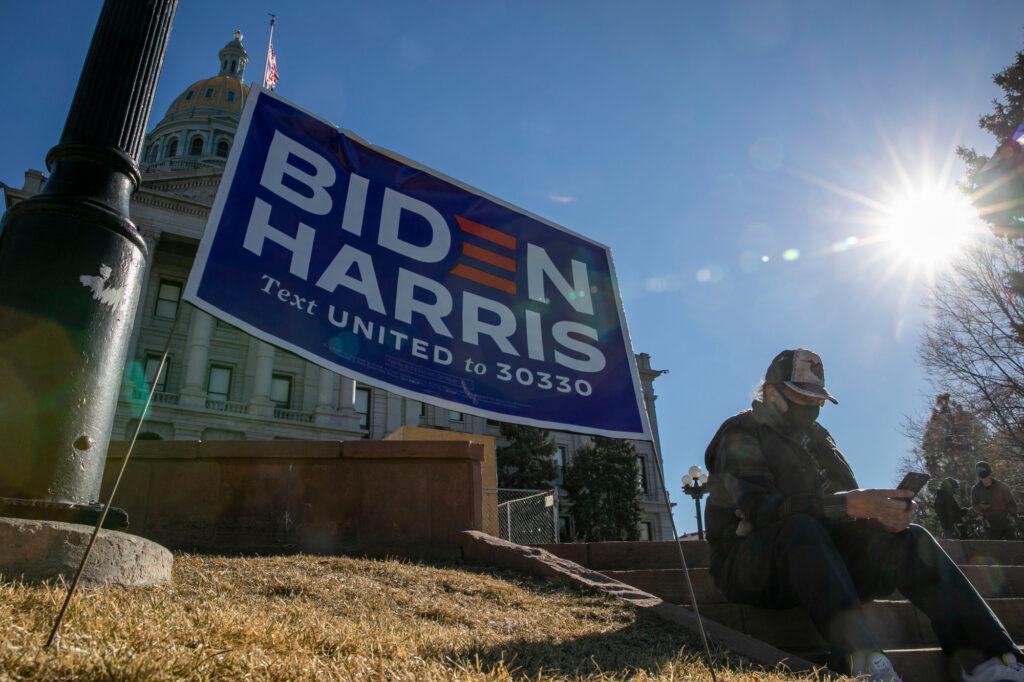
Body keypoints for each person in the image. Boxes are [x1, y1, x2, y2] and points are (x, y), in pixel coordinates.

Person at [703, 349, 1023, 682]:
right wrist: (847, 505)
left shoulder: (820, 439)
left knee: (911, 539)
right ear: (771, 393)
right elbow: (759, 508)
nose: (811, 408)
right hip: (751, 563)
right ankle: (863, 664)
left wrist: (882, 515)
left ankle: (991, 659)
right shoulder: (740, 433)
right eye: (801, 396)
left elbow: (849, 505)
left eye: (818, 401)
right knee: (800, 527)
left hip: (823, 561)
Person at [972, 462, 1019, 540]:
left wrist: (1012, 515)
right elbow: (974, 505)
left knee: (1012, 548)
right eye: (983, 478)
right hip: (989, 525)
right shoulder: (976, 489)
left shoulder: (1002, 487)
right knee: (993, 549)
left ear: (990, 473)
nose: (985, 480)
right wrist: (980, 506)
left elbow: (1012, 504)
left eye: (986, 477)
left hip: (1005, 523)